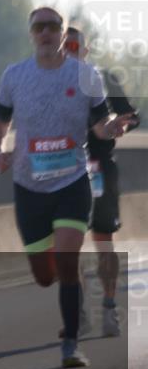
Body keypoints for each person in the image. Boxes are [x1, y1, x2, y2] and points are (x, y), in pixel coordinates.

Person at [0, 7, 135, 368]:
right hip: (29, 185)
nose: (46, 33)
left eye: (53, 27)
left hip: (72, 180)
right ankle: (65, 290)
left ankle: (71, 343)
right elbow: (0, 121)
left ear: (62, 33)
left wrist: (112, 128)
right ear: (31, 34)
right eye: (39, 27)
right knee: (44, 276)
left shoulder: (86, 76)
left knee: (69, 261)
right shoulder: (15, 76)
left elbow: (100, 125)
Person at [64, 26, 140, 337]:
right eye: (63, 45)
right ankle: (78, 311)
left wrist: (122, 125)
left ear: (86, 48)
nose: (67, 50)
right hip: (66, 170)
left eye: (73, 45)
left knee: (103, 240)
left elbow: (132, 116)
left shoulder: (104, 78)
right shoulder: (51, 82)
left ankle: (108, 308)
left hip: (99, 167)